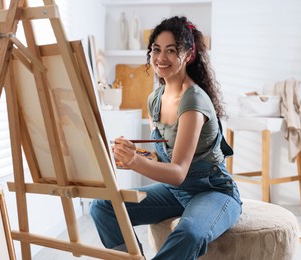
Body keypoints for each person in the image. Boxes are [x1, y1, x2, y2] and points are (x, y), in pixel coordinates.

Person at [90, 16, 242, 260]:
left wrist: (134, 162)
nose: (161, 58)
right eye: (156, 50)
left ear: (188, 55)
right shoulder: (155, 98)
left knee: (190, 232)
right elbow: (165, 158)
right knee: (103, 208)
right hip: (175, 191)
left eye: (171, 51)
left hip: (212, 191)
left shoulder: (193, 101)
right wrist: (133, 154)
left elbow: (178, 171)